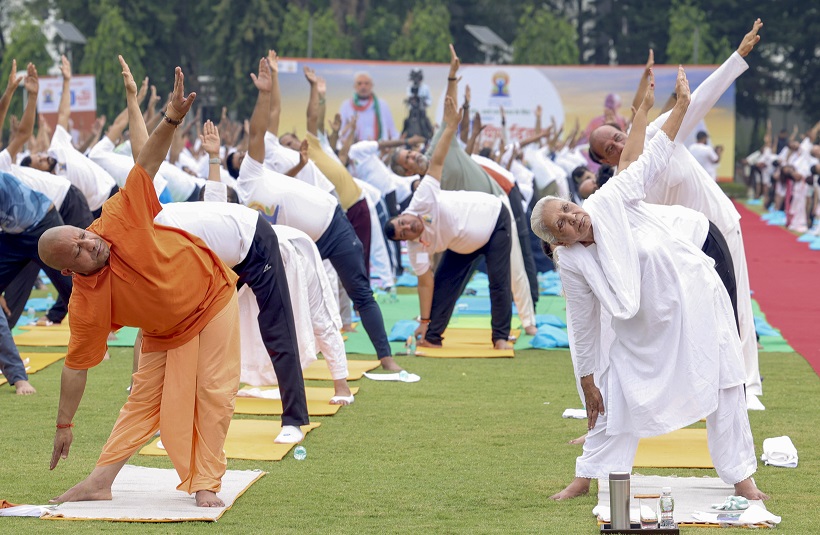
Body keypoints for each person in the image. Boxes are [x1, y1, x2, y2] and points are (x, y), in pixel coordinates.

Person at [532, 65, 767, 502]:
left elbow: (655, 152)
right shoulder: (573, 262)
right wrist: (586, 379)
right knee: (613, 387)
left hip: (696, 288)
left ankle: (741, 478)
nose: (572, 216)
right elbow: (582, 321)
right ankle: (587, 476)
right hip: (644, 320)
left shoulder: (609, 199)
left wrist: (679, 103)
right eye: (561, 223)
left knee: (726, 377)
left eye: (567, 207)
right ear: (557, 241)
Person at [43, 58, 239, 508]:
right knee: (140, 401)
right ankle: (99, 481)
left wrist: (170, 117)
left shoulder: (114, 217)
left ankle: (206, 480)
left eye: (81, 235)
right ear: (70, 272)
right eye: (77, 251)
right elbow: (75, 366)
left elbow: (146, 162)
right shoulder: (86, 304)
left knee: (213, 391)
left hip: (211, 295)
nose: (87, 244)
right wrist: (63, 425)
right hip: (165, 329)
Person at [587, 19, 765, 408]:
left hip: (718, 223)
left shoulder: (655, 134)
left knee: (736, 304)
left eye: (617, 135)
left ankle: (749, 387)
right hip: (683, 244)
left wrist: (737, 57)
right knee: (696, 313)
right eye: (609, 146)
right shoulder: (619, 185)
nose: (617, 143)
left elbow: (697, 100)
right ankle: (701, 388)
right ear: (603, 160)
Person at [230, 54, 401, 372]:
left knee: (359, 291)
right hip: (302, 245)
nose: (245, 154)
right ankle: (286, 361)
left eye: (243, 152)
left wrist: (269, 86)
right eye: (238, 157)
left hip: (332, 225)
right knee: (296, 301)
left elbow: (266, 120)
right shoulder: (243, 197)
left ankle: (386, 357)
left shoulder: (258, 162)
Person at [390, 45, 538, 335]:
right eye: (407, 160)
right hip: (469, 224)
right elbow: (423, 242)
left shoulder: (436, 150)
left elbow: (449, 117)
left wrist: (452, 78)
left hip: (499, 200)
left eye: (409, 152)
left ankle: (530, 324)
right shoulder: (424, 192)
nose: (412, 156)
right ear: (407, 172)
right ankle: (434, 325)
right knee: (453, 273)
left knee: (516, 265)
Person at [385, 96, 513, 350]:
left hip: (494, 219)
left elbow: (438, 160)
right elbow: (425, 283)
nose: (408, 228)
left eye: (404, 223)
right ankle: (432, 336)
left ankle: (500, 337)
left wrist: (451, 126)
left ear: (405, 214)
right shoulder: (415, 250)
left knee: (498, 281)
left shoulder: (422, 198)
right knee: (443, 283)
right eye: (403, 234)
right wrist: (423, 320)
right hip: (461, 243)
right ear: (405, 241)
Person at [20, 56, 117, 218]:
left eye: (39, 156)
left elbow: (63, 113)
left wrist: (66, 81)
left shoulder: (56, 147)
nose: (44, 157)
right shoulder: (55, 188)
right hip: (94, 211)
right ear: (40, 173)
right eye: (39, 162)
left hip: (110, 189)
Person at [339, 71, 399, 141]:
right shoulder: (346, 105)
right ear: (354, 86)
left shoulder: (382, 104)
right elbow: (340, 133)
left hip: (380, 148)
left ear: (372, 85)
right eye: (359, 83)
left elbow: (392, 131)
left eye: (366, 83)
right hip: (355, 148)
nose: (363, 86)